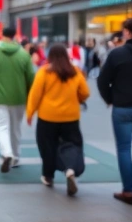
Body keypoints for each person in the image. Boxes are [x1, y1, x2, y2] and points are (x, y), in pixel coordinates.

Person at [97, 18, 132, 205]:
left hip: (122, 107)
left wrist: (110, 98)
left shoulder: (117, 54)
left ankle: (128, 192)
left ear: (127, 32)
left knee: (124, 148)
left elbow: (102, 81)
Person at [26, 44, 90, 196]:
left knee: (47, 146)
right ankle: (70, 169)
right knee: (72, 145)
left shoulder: (44, 72)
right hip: (71, 117)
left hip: (47, 117)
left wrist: (30, 112)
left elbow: (35, 94)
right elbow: (85, 92)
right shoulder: (75, 71)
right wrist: (78, 98)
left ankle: (48, 176)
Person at [0, 27, 35, 172]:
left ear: (1, 35)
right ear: (14, 36)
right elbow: (31, 77)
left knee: (1, 127)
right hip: (19, 97)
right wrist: (30, 95)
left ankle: (6, 153)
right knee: (16, 128)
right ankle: (16, 157)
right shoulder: (24, 55)